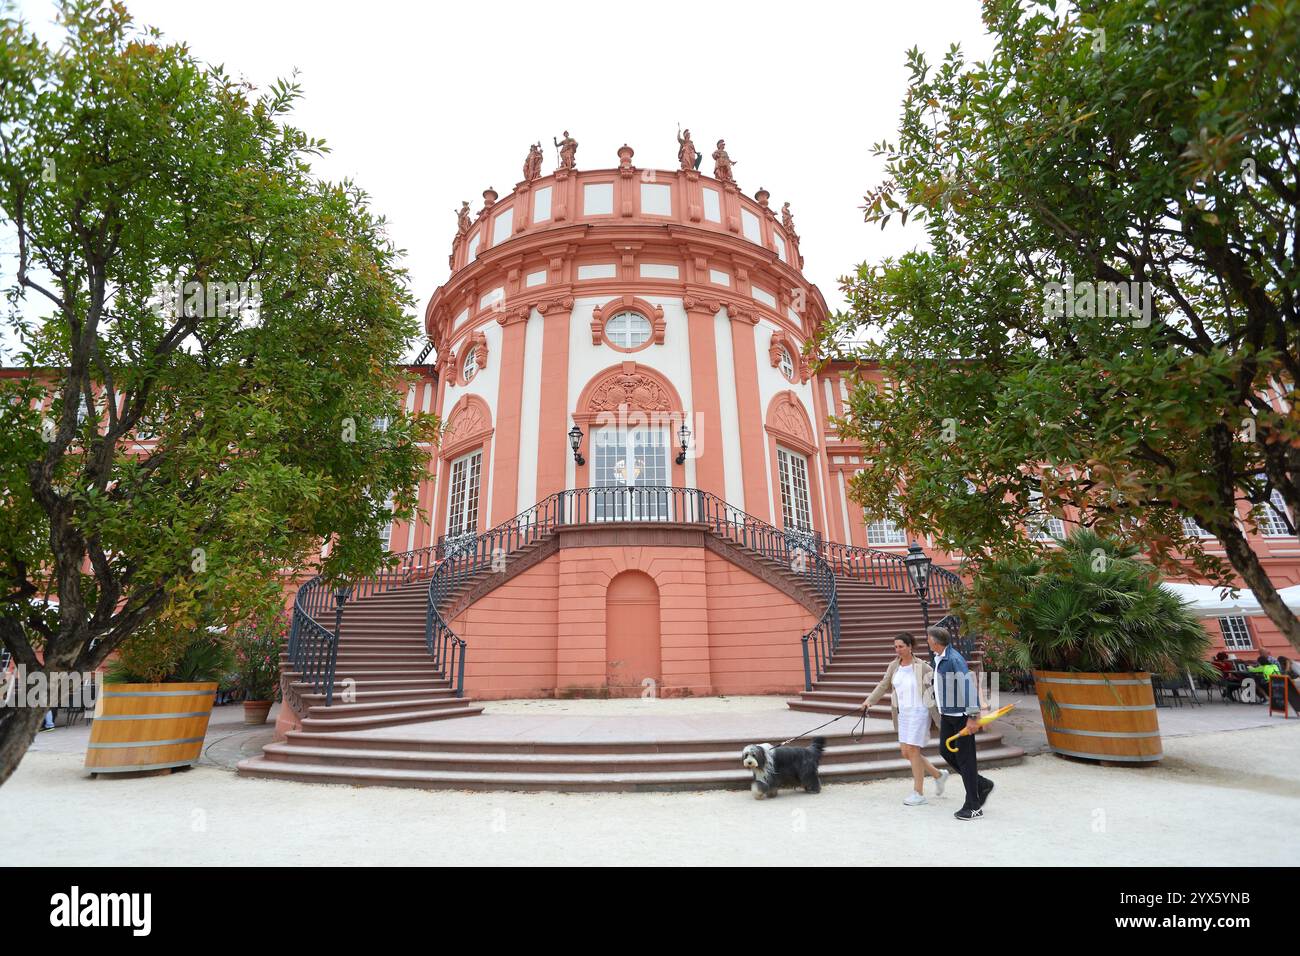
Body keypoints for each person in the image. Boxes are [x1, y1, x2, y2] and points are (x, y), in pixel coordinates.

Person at [860, 633, 947, 805]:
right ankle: (938, 775)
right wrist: (869, 701)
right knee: (906, 753)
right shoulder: (894, 666)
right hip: (903, 714)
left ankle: (919, 793)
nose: (897, 650)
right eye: (895, 647)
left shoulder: (923, 667)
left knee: (913, 751)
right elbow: (883, 685)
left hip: (920, 712)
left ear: (910, 647)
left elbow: (940, 684)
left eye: (901, 646)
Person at [928, 625, 991, 820]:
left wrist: (973, 717)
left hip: (962, 716)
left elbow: (967, 687)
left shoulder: (954, 659)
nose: (928, 641)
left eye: (929, 639)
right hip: (948, 714)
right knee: (945, 751)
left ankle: (973, 806)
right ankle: (980, 783)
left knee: (966, 760)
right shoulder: (939, 658)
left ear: (936, 642)